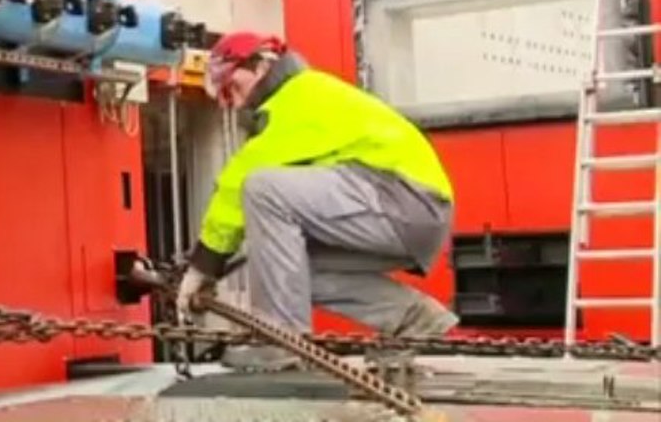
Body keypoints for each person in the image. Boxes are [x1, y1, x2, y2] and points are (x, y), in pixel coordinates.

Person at [176, 31, 458, 368]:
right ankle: (411, 320)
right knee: (292, 266)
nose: (234, 103)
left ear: (261, 67)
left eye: (233, 88)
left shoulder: (296, 98)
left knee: (261, 188)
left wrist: (203, 266)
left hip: (401, 199)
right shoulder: (303, 96)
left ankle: (284, 343)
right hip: (410, 213)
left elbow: (238, 183)